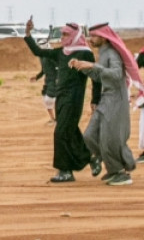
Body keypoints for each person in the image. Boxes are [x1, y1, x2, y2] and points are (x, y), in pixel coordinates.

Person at [23, 20, 94, 182]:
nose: (62, 37)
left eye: (66, 34)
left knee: (60, 133)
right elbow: (38, 51)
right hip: (60, 98)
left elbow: (96, 78)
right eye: (62, 34)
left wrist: (95, 99)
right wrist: (28, 34)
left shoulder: (85, 54)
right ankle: (90, 157)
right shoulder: (61, 52)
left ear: (75, 35)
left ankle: (65, 171)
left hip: (74, 99)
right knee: (70, 131)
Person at [70, 23, 138, 186]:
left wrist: (93, 65)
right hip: (106, 100)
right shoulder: (103, 53)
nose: (91, 39)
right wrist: (81, 66)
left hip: (116, 100)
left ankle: (120, 172)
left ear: (103, 37)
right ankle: (111, 164)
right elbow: (100, 76)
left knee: (111, 139)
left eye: (93, 36)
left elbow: (115, 75)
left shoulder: (112, 53)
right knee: (89, 136)